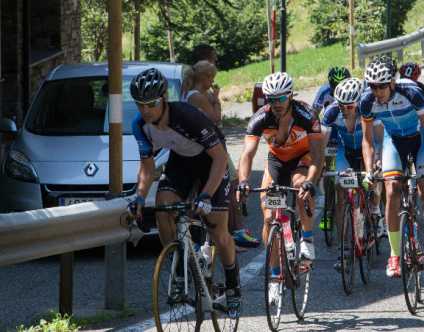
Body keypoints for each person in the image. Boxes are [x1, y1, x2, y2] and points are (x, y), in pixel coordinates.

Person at [126, 68, 241, 317]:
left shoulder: (188, 116)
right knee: (163, 207)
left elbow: (220, 158)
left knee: (217, 230)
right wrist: (138, 197)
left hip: (212, 162)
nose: (145, 110)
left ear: (165, 97)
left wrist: (206, 194)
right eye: (140, 104)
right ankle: (180, 270)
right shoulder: (140, 125)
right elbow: (147, 165)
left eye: (152, 103)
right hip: (182, 163)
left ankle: (233, 285)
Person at [236, 72, 323, 305]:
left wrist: (310, 182)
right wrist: (243, 182)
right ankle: (275, 278)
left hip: (303, 159)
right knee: (268, 218)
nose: (275, 104)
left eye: (280, 98)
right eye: (271, 98)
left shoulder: (307, 115)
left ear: (291, 96)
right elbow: (247, 154)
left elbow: (317, 156)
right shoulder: (260, 118)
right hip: (277, 161)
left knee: (299, 185)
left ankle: (306, 238)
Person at [360, 56, 424, 278]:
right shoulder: (367, 101)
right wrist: (369, 170)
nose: (377, 91)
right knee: (392, 189)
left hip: (420, 139)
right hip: (393, 140)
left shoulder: (412, 92)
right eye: (373, 86)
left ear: (393, 83)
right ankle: (394, 254)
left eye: (381, 86)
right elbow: (367, 140)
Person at [187, 45, 260, 250]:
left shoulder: (197, 93)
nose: (213, 81)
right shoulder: (197, 95)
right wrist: (217, 97)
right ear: (205, 76)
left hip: (212, 145)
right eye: (211, 76)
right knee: (229, 186)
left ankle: (231, 233)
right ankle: (231, 235)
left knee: (230, 185)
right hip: (212, 147)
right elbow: (217, 119)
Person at [319, 78, 385, 272]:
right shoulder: (331, 112)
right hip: (345, 150)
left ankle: (374, 209)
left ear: (357, 104)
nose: (343, 110)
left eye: (348, 106)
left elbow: (380, 139)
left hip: (370, 145)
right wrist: (323, 166)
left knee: (375, 177)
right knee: (341, 191)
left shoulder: (370, 107)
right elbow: (321, 144)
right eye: (340, 105)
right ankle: (344, 247)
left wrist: (378, 164)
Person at [314, 66, 351, 230]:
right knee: (328, 168)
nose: (337, 88)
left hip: (346, 129)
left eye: (340, 84)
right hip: (330, 129)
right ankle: (328, 210)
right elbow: (314, 113)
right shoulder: (324, 91)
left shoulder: (353, 91)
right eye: (333, 84)